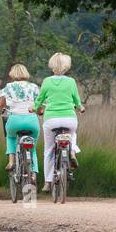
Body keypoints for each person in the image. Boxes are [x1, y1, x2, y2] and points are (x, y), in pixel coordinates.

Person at [35, 52, 83, 192]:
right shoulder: (71, 81)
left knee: (49, 150)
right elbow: (76, 100)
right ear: (66, 66)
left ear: (52, 65)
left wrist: (34, 108)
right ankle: (72, 151)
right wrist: (80, 107)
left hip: (51, 120)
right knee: (72, 134)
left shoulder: (47, 81)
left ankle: (48, 182)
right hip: (69, 119)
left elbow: (40, 99)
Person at [0, 64, 40, 183]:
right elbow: (39, 105)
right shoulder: (34, 87)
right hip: (32, 121)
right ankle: (34, 174)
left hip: (15, 120)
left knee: (10, 137)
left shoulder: (9, 86)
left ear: (12, 74)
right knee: (33, 147)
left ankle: (11, 162)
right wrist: (39, 111)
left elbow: (1, 104)